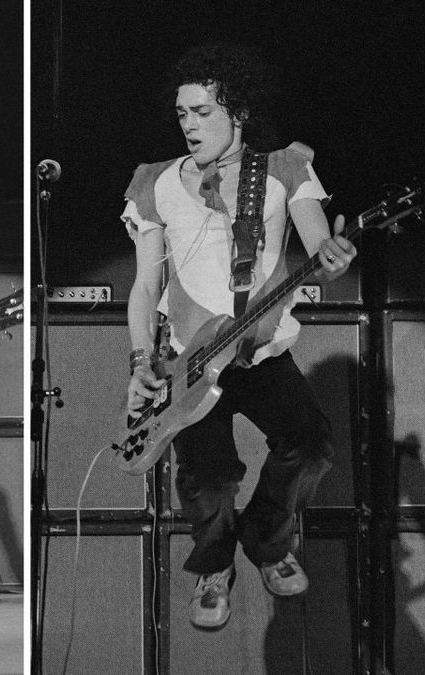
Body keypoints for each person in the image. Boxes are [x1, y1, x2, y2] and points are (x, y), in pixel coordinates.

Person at [122, 43, 357, 630]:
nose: (190, 125)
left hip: (257, 353)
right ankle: (214, 564)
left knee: (311, 446)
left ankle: (269, 541)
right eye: (183, 113)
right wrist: (140, 359)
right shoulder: (154, 182)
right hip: (187, 358)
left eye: (203, 111)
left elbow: (316, 247)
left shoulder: (281, 170)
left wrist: (331, 259)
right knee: (209, 474)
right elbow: (145, 286)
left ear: (238, 113)